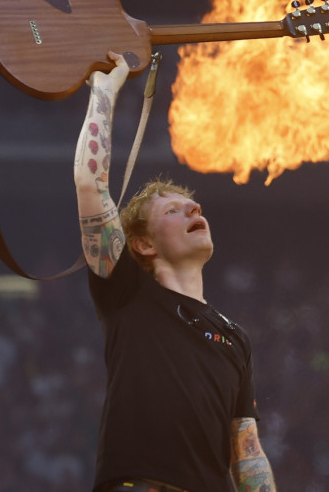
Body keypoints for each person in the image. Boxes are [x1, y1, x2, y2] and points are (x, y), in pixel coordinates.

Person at [75, 52, 276, 492]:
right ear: (144, 244)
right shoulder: (127, 292)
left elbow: (247, 451)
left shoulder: (234, 336)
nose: (194, 207)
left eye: (193, 205)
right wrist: (104, 92)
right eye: (172, 209)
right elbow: (91, 184)